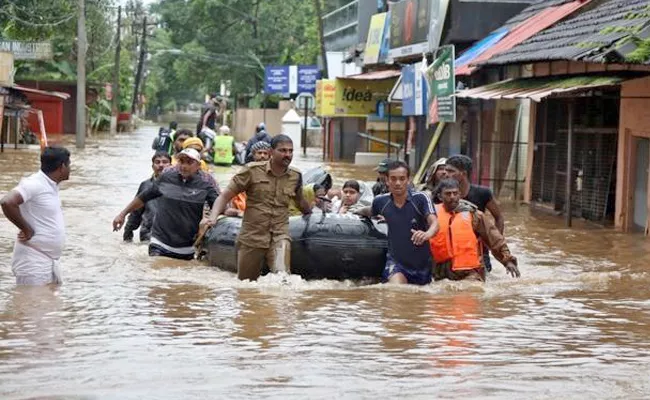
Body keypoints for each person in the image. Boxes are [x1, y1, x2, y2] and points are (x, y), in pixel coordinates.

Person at [202, 134, 312, 280]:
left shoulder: (295, 175)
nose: (288, 155)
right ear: (271, 152)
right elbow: (224, 196)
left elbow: (300, 201)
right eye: (283, 150)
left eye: (290, 151)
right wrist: (213, 217)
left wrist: (313, 214)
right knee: (247, 284)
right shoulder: (251, 171)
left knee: (283, 278)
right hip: (252, 236)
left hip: (279, 234)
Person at [113, 148, 219, 260]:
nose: (184, 166)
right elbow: (142, 198)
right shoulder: (165, 179)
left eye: (189, 162)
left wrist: (216, 217)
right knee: (156, 272)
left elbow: (219, 206)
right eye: (181, 162)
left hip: (187, 248)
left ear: (198, 165)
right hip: (159, 242)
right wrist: (122, 214)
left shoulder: (205, 186)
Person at [356, 161, 439, 285]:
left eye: (402, 179)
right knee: (397, 291)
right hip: (396, 263)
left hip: (422, 265)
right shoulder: (380, 201)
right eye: (393, 179)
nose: (398, 183)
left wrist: (427, 234)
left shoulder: (421, 198)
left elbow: (435, 223)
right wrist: (354, 211)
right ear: (387, 180)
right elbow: (369, 211)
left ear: (408, 180)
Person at [1, 147, 71, 285]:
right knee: (31, 305)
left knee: (48, 305)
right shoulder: (34, 183)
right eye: (69, 165)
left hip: (48, 260)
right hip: (33, 261)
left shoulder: (50, 185)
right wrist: (26, 229)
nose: (70, 169)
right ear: (62, 167)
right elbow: (7, 202)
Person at [430, 179, 520, 281]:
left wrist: (507, 260)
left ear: (459, 195)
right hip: (439, 272)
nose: (452, 197)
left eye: (455, 193)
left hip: (469, 272)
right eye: (448, 194)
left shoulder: (474, 215)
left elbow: (494, 239)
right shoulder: (431, 215)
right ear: (440, 197)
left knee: (473, 290)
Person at [445, 155, 505, 272]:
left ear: (463, 173)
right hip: (452, 251)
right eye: (446, 170)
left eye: (451, 171)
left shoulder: (483, 193)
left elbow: (499, 218)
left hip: (480, 252)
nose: (446, 174)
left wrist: (495, 244)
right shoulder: (441, 194)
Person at [123, 151, 171, 243]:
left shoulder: (178, 185)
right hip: (148, 235)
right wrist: (127, 234)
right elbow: (136, 211)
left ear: (171, 165)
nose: (161, 165)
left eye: (165, 162)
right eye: (157, 162)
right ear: (152, 166)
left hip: (169, 235)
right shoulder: (145, 185)